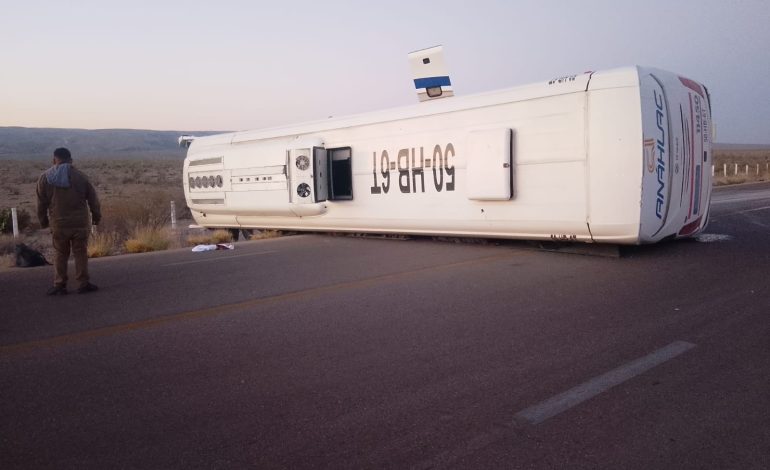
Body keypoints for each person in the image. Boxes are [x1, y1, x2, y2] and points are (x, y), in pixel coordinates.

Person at [36, 147, 101, 295]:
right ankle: (83, 283)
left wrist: (43, 221)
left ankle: (59, 285)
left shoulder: (45, 178)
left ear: (54, 160)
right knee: (80, 253)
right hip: (80, 223)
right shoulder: (81, 177)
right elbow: (93, 201)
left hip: (59, 224)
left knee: (60, 253)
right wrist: (96, 217)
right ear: (71, 160)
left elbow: (41, 204)